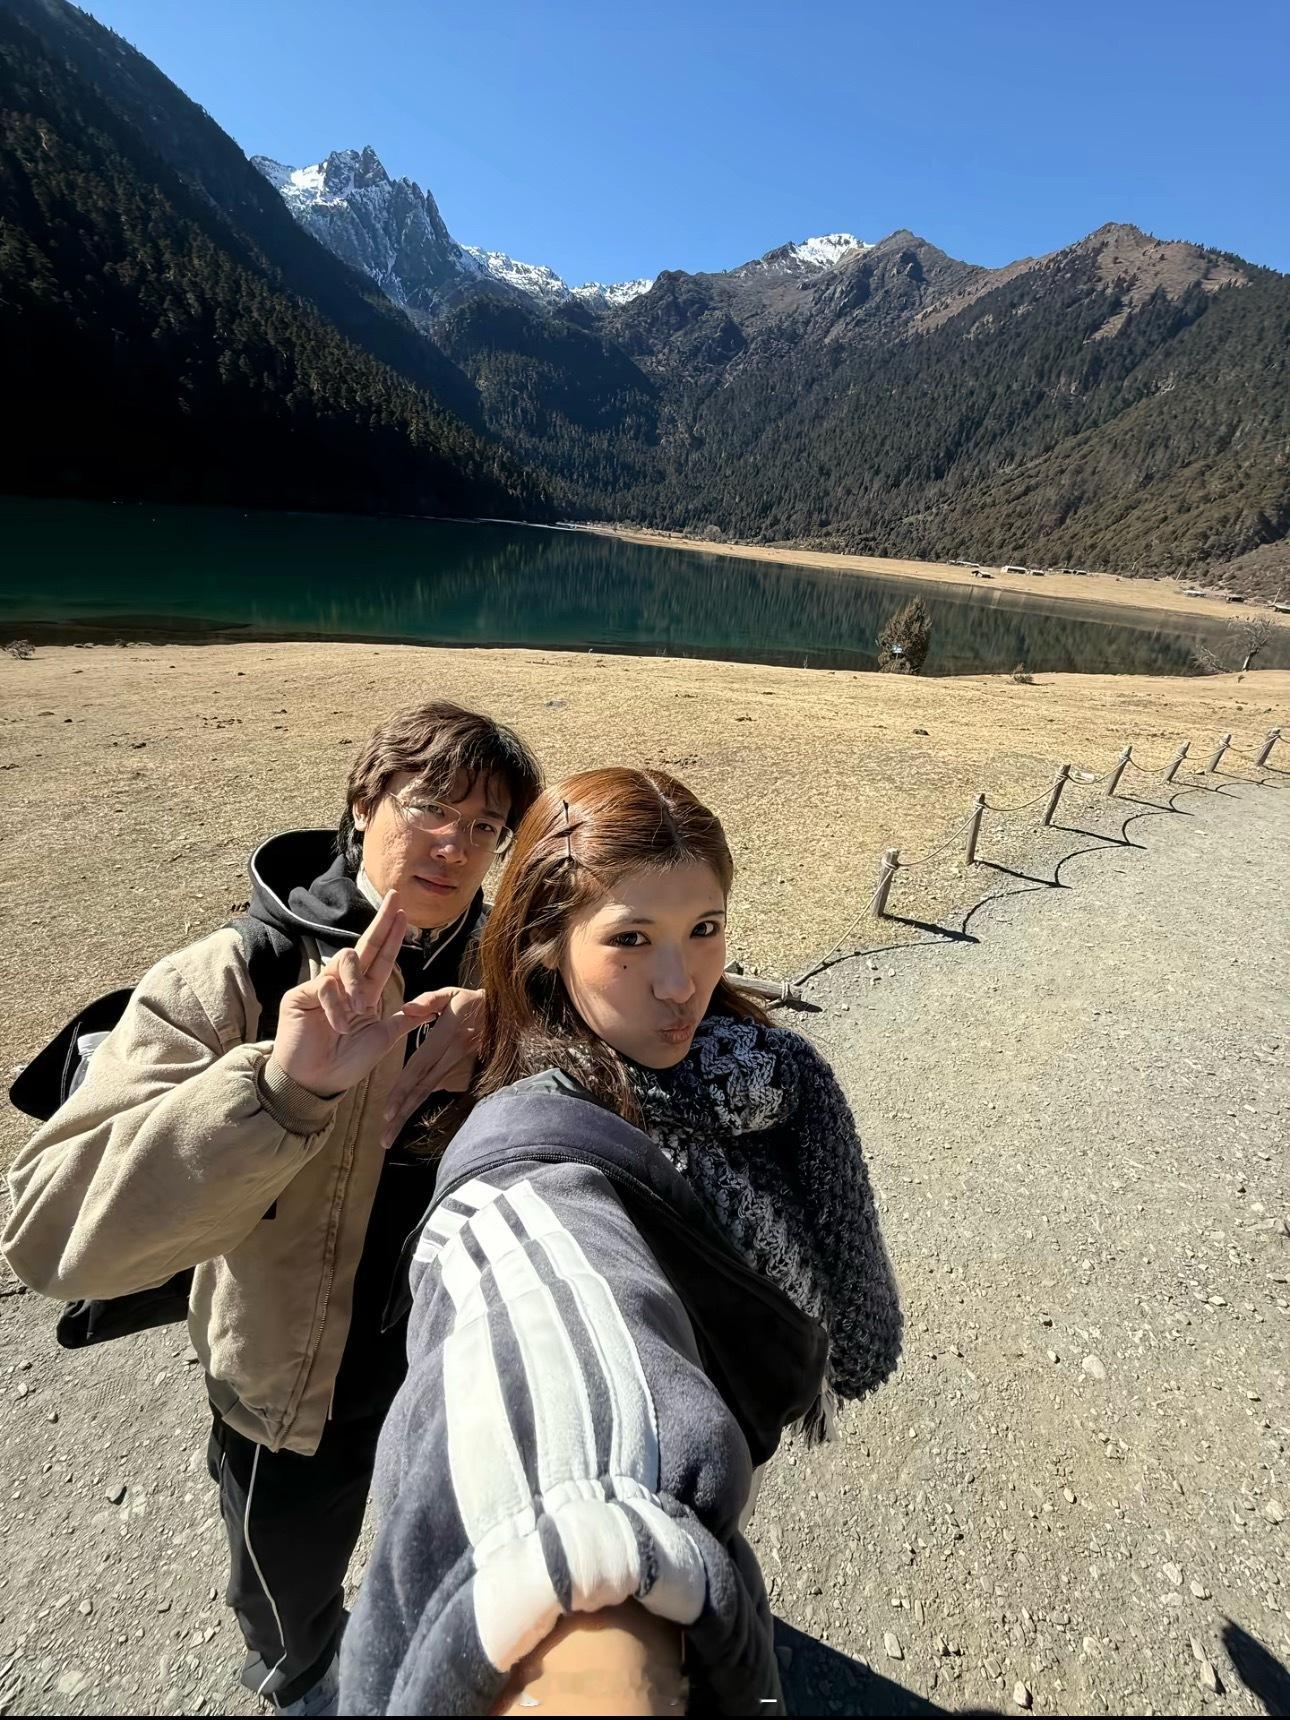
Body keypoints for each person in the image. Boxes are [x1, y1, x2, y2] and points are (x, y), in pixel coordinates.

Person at [2, 700, 542, 1717]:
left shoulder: (502, 969)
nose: (456, 845)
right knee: (289, 1567)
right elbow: (44, 1232)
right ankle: (295, 1669)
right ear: (363, 801)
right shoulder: (235, 975)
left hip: (445, 1362)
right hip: (292, 1382)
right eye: (430, 806)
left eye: (485, 827)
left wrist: (509, 1037)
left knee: (441, 1529)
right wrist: (285, 1092)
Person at [338, 767, 903, 1716]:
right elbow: (545, 1340)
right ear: (545, 944)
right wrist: (590, 1598)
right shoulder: (529, 1138)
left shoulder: (766, 1077)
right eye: (630, 940)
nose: (681, 987)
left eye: (705, 929)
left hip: (725, 1414)